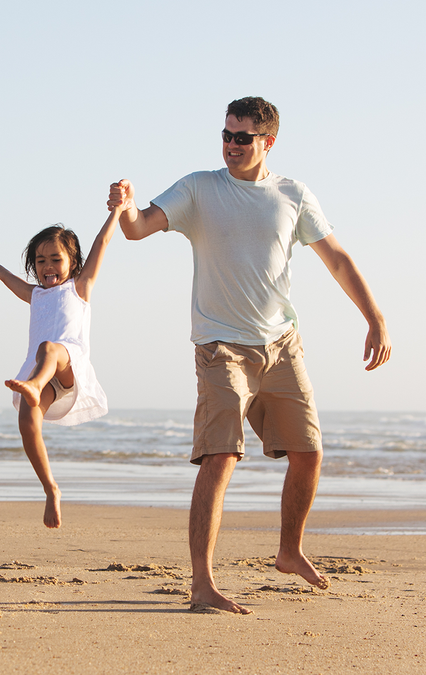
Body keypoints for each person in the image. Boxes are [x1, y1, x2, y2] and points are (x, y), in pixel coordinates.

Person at [108, 97, 392, 614]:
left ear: (268, 142)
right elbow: (137, 227)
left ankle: (289, 550)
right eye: (226, 134)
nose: (231, 145)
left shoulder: (293, 195)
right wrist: (124, 203)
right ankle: (202, 584)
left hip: (281, 345)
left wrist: (374, 318)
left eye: (243, 137)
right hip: (221, 347)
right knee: (220, 456)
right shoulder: (199, 188)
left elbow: (337, 259)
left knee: (309, 452)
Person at [0, 209, 119, 528]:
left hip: (68, 365)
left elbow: (103, 241)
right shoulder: (36, 295)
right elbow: (5, 278)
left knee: (49, 348)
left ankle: (32, 386)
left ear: (72, 263)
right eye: (40, 261)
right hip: (47, 378)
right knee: (27, 422)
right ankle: (51, 489)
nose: (47, 267)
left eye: (55, 259)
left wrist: (117, 211)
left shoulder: (80, 288)